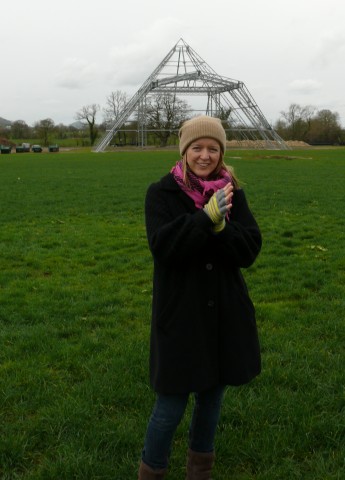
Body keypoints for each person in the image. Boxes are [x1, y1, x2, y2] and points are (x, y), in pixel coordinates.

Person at [138, 116, 262, 480]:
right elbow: (164, 248)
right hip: (181, 315)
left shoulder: (232, 193)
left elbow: (249, 250)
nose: (205, 155)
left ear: (221, 153)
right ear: (184, 151)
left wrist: (223, 227)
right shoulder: (161, 193)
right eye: (197, 148)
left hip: (223, 312)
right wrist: (202, 220)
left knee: (210, 400)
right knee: (170, 404)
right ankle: (152, 471)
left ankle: (199, 471)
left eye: (213, 148)